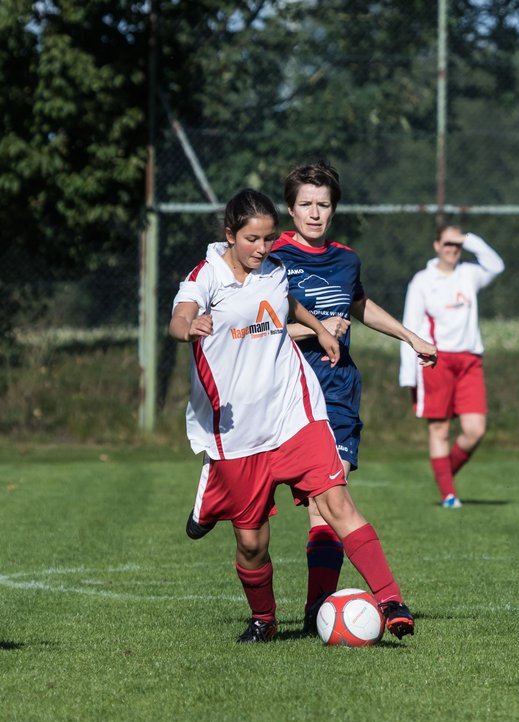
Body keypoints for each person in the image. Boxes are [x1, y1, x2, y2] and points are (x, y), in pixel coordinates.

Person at [173, 188, 416, 643]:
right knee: (251, 543)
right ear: (230, 235)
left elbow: (289, 303)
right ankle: (264, 619)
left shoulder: (274, 270)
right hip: (237, 430)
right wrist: (190, 326)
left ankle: (390, 600)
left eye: (267, 239)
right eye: (252, 240)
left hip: (294, 411)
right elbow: (179, 318)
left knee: (337, 502)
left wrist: (322, 330)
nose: (262, 249)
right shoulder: (203, 278)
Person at [266, 161, 437, 632]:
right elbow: (257, 328)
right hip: (286, 394)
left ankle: (377, 603)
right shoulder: (272, 258)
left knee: (329, 498)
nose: (314, 214)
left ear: (334, 209)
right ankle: (316, 608)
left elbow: (360, 306)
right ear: (290, 208)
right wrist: (316, 329)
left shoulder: (346, 259)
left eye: (323, 205)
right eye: (305, 205)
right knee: (298, 509)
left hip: (338, 390)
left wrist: (410, 336)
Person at [399, 224, 504, 507]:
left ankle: (444, 475)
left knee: (475, 430)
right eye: (447, 243)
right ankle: (448, 494)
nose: (452, 249)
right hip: (436, 361)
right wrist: (407, 374)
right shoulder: (423, 280)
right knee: (440, 430)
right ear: (436, 246)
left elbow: (496, 265)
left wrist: (469, 239)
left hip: (470, 360)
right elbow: (409, 327)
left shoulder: (469, 274)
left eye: (457, 245)